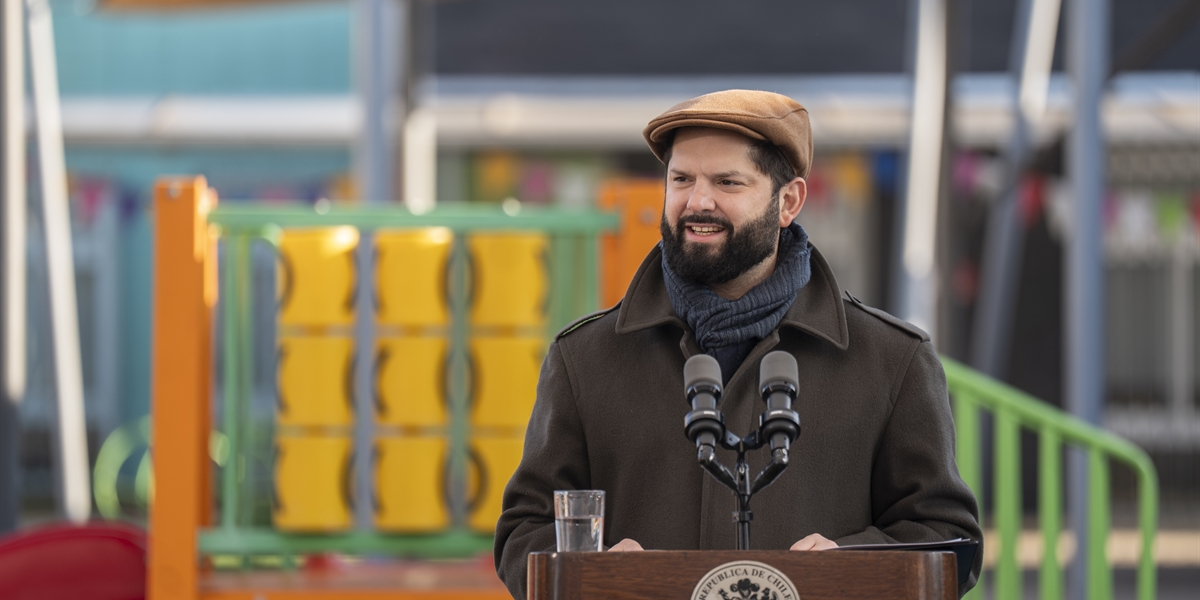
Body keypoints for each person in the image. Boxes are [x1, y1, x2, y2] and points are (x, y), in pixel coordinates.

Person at [493, 90, 983, 599]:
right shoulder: (583, 359)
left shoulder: (893, 360)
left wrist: (845, 568)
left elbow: (947, 540)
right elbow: (524, 532)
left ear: (788, 201)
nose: (697, 202)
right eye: (681, 179)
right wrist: (598, 574)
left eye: (727, 182)